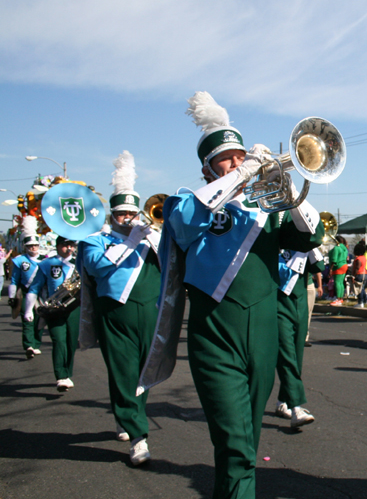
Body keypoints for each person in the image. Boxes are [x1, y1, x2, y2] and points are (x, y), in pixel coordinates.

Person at [154, 92, 324, 498]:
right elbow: (182, 226)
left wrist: (289, 191)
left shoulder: (264, 208)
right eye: (225, 158)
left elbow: (309, 238)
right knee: (233, 445)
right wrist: (241, 174)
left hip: (262, 336)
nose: (235, 161)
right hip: (215, 336)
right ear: (207, 168)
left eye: (239, 155)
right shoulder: (185, 200)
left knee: (246, 444)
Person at [78, 150, 161, 466]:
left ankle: (128, 416)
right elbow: (98, 267)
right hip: (115, 315)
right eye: (122, 213)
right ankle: (139, 436)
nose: (128, 218)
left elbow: (173, 265)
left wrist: (154, 238)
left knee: (145, 374)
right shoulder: (93, 240)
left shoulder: (150, 237)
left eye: (132, 212)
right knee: (124, 372)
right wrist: (128, 243)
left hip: (150, 313)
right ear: (112, 215)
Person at [274, 248, 324, 428]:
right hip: (277, 299)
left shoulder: (304, 244)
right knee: (286, 352)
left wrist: (311, 245)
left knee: (296, 355)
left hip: (300, 300)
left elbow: (319, 265)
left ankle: (283, 401)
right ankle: (296, 407)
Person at [26, 236, 79, 391]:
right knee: (58, 340)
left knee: (71, 342)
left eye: (71, 245)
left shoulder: (80, 263)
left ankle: (67, 372)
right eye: (64, 245)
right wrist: (29, 309)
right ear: (57, 246)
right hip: (55, 308)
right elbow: (35, 288)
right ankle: (61, 376)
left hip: (75, 308)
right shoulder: (46, 264)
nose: (68, 248)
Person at [8, 216, 43, 359]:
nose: (33, 248)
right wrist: (11, 297)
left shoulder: (45, 259)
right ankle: (28, 345)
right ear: (25, 246)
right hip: (25, 291)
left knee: (40, 319)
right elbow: (14, 280)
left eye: (35, 245)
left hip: (41, 292)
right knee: (27, 318)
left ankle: (36, 343)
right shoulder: (20, 261)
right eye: (30, 246)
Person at [328, 236, 348, 306]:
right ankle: (341, 298)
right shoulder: (344, 248)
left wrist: (331, 269)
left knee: (337, 282)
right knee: (341, 283)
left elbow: (334, 259)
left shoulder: (337, 248)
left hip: (338, 266)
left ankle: (338, 298)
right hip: (344, 265)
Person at [352, 241, 367, 307]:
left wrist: (353, 276)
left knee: (359, 289)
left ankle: (360, 302)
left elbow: (357, 268)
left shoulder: (358, 259)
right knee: (362, 288)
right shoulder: (364, 258)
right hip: (365, 274)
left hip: (359, 274)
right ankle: (366, 300)